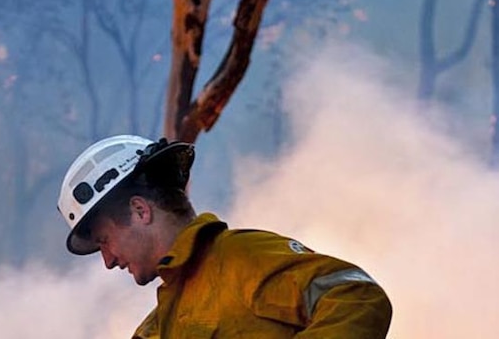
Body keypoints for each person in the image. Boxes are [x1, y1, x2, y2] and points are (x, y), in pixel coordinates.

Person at [57, 135, 392, 338]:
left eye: (104, 240)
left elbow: (357, 296)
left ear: (141, 211)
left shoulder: (239, 257)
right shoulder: (162, 323)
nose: (108, 260)